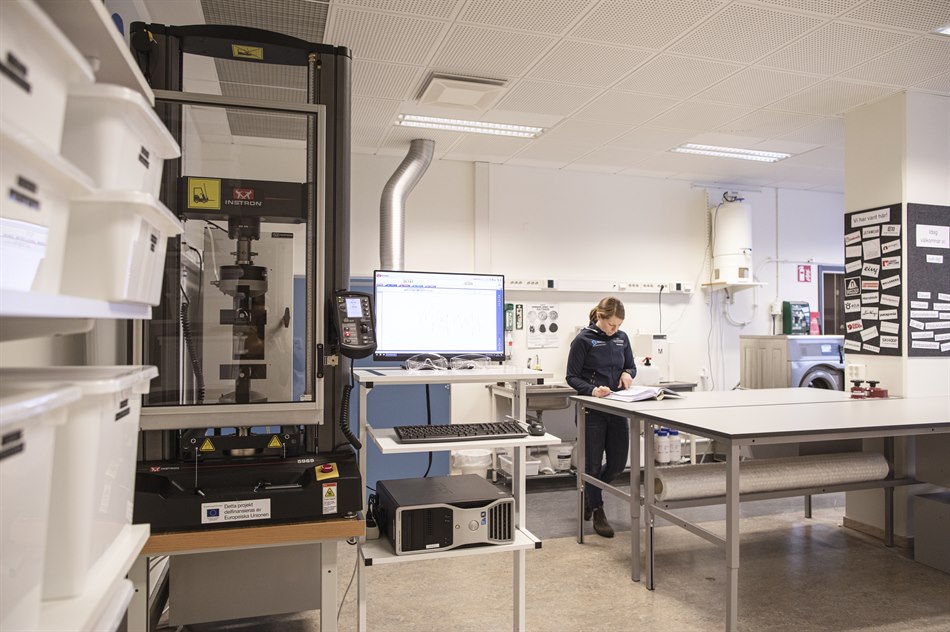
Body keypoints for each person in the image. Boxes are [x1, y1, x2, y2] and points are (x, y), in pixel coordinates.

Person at [565, 296, 636, 538]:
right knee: (592, 465)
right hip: (591, 410)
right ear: (599, 317)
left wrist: (627, 373)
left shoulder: (622, 338)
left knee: (617, 464)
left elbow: (631, 366)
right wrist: (593, 390)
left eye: (618, 325)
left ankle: (589, 494)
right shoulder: (583, 340)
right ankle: (598, 510)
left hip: (616, 408)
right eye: (611, 324)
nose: (614, 329)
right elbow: (572, 377)